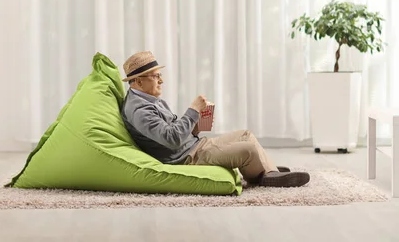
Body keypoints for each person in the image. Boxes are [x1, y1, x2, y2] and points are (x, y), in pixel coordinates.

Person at [119, 51, 310, 188]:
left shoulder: (148, 99)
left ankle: (268, 171)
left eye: (160, 75)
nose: (161, 80)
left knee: (246, 134)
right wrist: (193, 110)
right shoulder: (139, 110)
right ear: (138, 81)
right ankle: (263, 176)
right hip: (189, 157)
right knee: (249, 150)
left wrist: (196, 126)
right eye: (155, 76)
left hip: (196, 145)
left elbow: (173, 130)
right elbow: (171, 139)